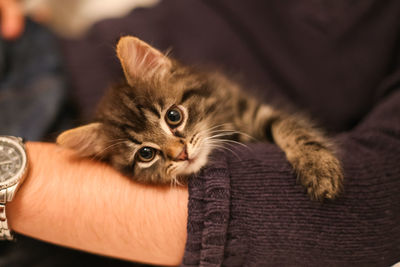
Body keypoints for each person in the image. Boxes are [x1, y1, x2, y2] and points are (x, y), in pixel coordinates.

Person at [2, 0, 400, 266]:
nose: (178, 151)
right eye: (149, 153)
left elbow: (373, 205)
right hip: (35, 49)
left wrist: (15, 179)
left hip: (57, 187)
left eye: (173, 119)